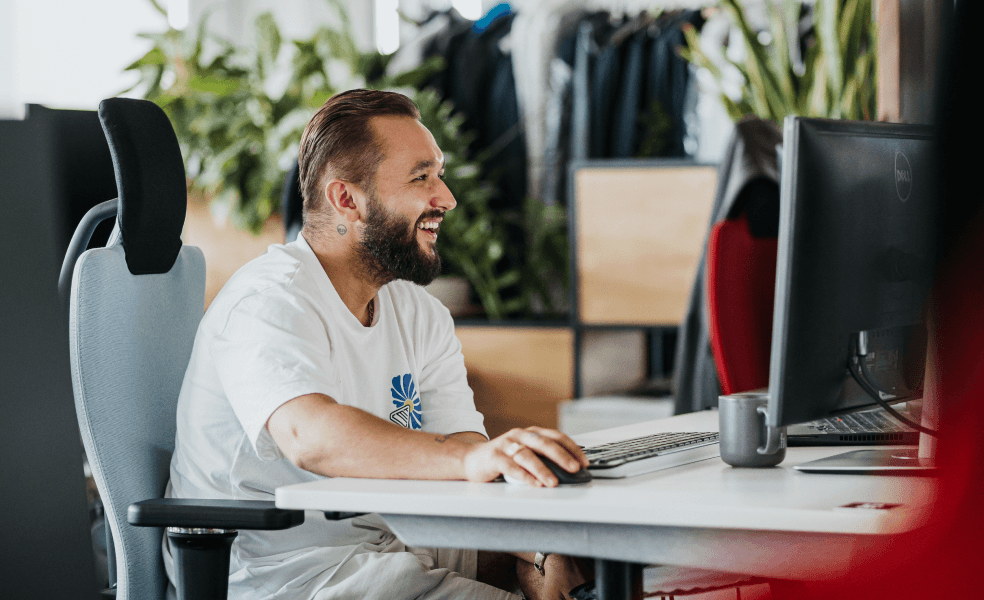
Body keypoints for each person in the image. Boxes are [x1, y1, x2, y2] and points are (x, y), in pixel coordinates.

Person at [165, 89, 591, 600]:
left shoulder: (419, 313)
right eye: (421, 177)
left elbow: (465, 452)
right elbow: (309, 435)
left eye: (439, 174)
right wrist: (469, 463)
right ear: (347, 200)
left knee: (594, 559)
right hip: (294, 576)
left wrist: (542, 546)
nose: (446, 198)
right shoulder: (267, 301)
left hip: (400, 544)